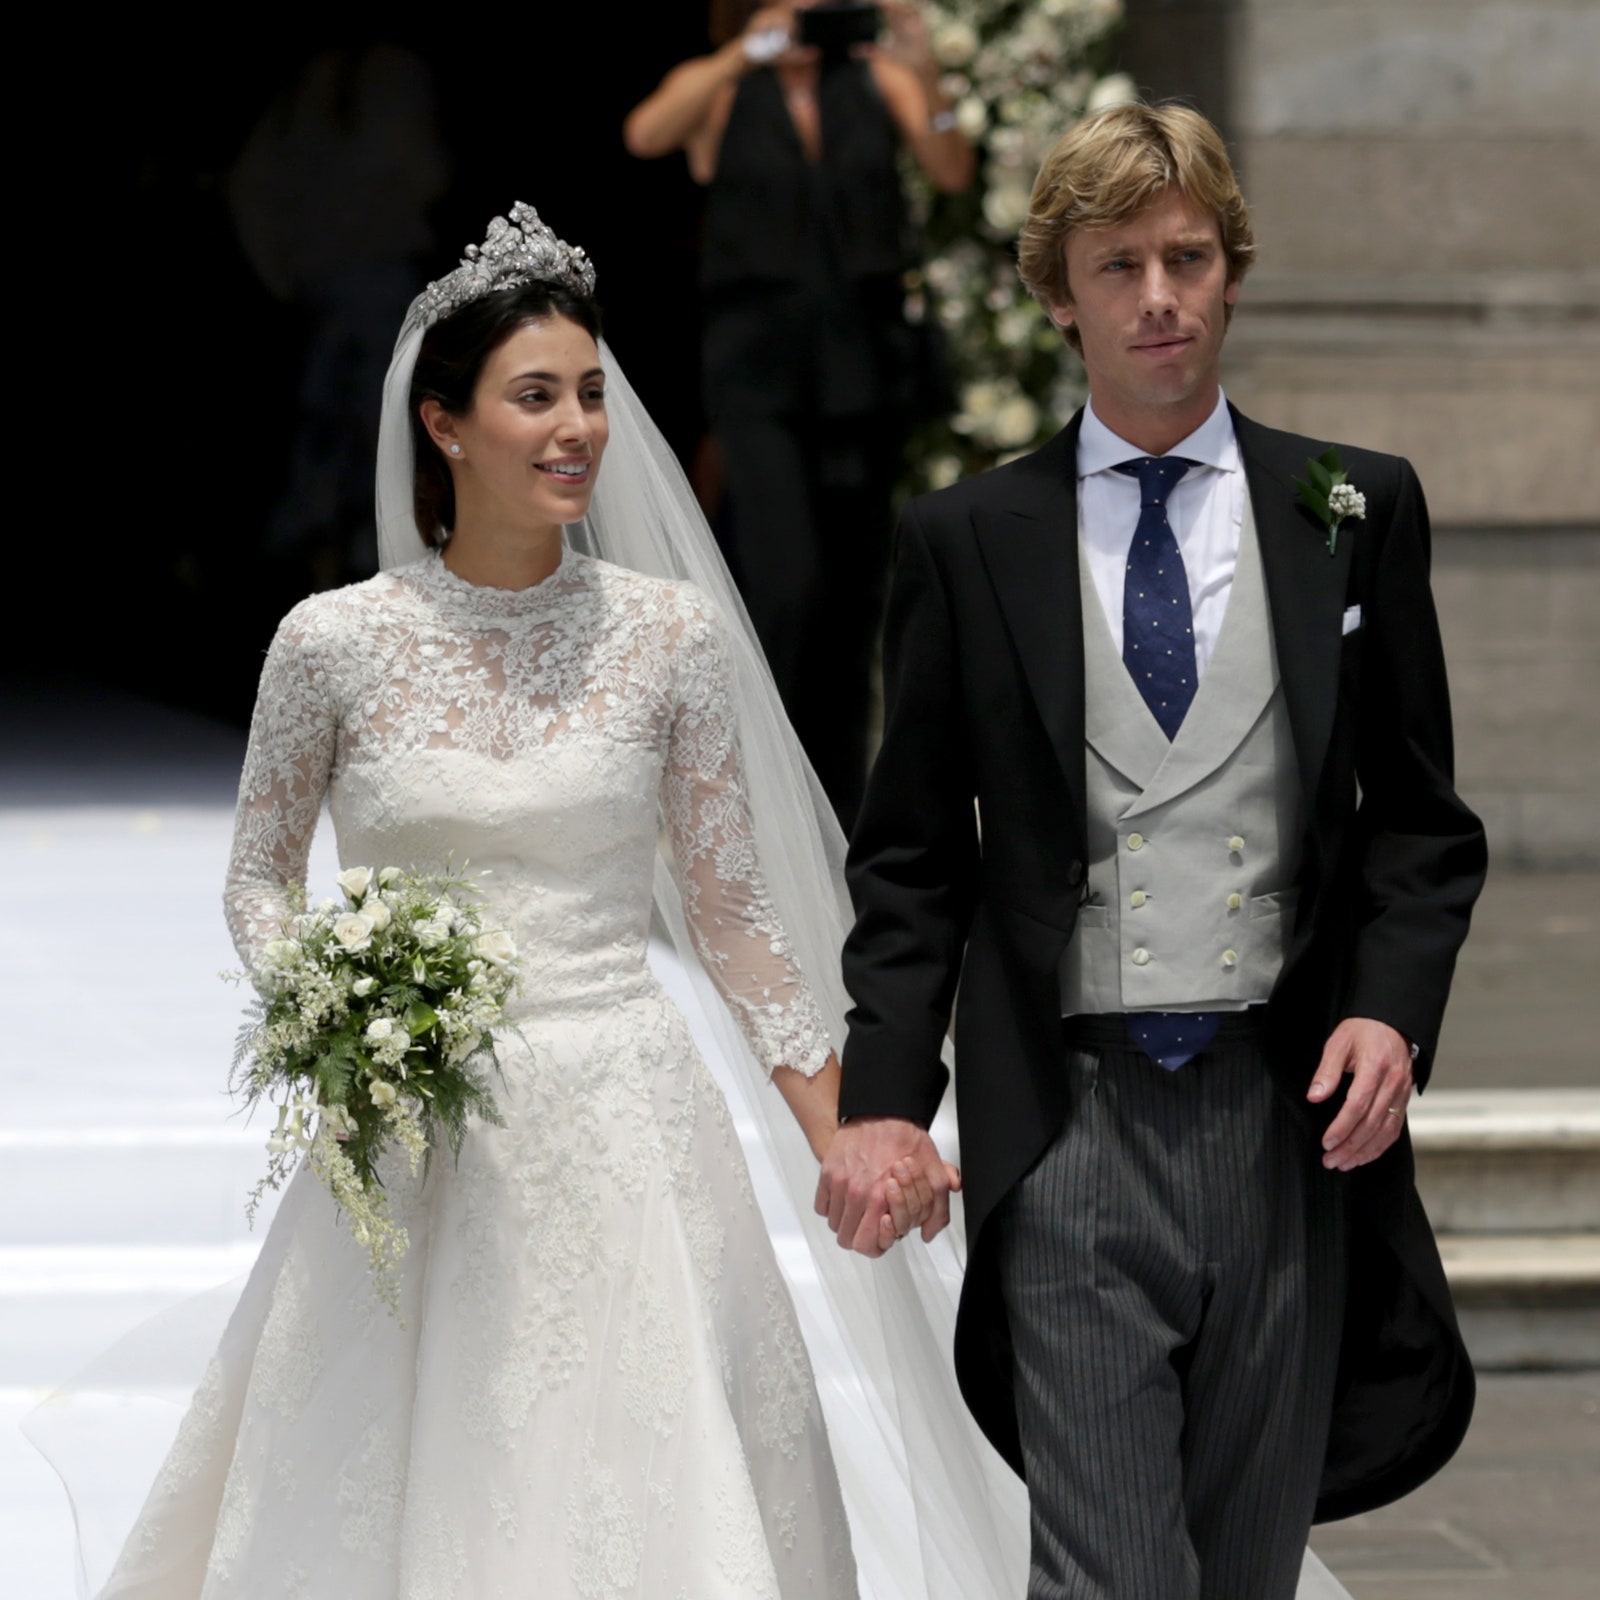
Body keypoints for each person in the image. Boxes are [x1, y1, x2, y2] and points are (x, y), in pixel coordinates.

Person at [85, 205, 980, 1599]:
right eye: (535, 398)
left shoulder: (668, 638)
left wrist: (847, 1128)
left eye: (592, 396)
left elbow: (735, 915)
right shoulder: (331, 645)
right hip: (418, 1130)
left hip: (626, 1113)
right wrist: (335, 1002)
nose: (576, 428)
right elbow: (259, 880)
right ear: (444, 426)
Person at [818, 103, 1487, 1598]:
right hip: (1069, 1123)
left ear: (1233, 270)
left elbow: (1422, 823)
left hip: (1286, 1119)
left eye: (1188, 257)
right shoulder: (966, 538)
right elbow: (914, 852)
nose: (1161, 297)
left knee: (1242, 1571)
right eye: (1118, 266)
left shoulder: (1351, 510)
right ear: (1059, 295)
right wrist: (880, 1102)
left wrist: (1391, 1005)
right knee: (1117, 1573)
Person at [624, 1, 973, 829]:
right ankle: (754, 795)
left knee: (857, 595)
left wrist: (924, 67)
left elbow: (951, 164)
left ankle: (840, 811)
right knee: (787, 582)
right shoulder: (725, 86)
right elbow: (646, 133)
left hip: (862, 367)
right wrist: (746, 51)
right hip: (758, 369)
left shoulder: (876, 78)